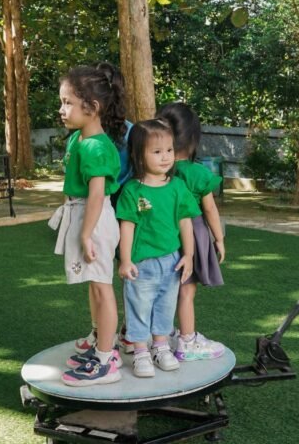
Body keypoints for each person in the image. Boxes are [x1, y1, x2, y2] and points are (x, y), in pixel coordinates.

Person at [52, 63, 127, 387]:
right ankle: (100, 343)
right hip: (84, 215)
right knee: (93, 285)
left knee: (102, 287)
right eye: (62, 102)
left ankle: (107, 359)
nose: (62, 109)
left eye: (68, 102)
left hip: (94, 220)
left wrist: (85, 234)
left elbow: (97, 194)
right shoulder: (78, 139)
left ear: (92, 107)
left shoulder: (96, 146)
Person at [115, 119, 199, 377]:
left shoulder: (177, 187)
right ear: (138, 155)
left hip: (172, 261)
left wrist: (189, 255)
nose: (166, 157)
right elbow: (127, 227)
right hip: (141, 264)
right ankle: (141, 350)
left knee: (165, 305)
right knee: (139, 306)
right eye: (157, 151)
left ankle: (160, 347)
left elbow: (185, 223)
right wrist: (125, 260)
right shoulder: (132, 190)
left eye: (169, 150)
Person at [157, 102, 228, 360]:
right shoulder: (197, 173)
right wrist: (219, 238)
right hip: (193, 234)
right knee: (187, 291)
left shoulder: (156, 172)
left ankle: (161, 337)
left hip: (164, 234)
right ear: (192, 138)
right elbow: (209, 209)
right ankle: (187, 341)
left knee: (163, 289)